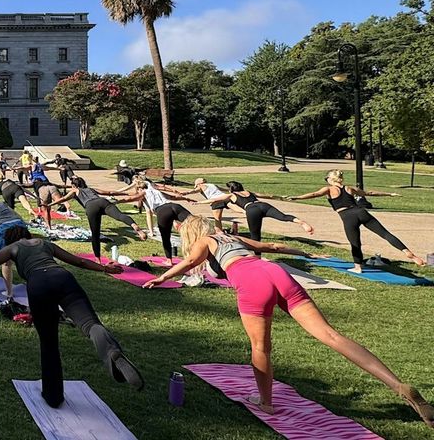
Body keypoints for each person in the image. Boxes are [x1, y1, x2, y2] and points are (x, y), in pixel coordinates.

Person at [145, 216, 433, 426]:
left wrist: (162, 277)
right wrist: (306, 252)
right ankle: (397, 385)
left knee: (261, 347)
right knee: (331, 336)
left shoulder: (204, 241)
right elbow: (273, 246)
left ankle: (265, 402)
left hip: (251, 281)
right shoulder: (235, 238)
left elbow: (190, 263)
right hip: (275, 272)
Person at [0, 226, 144, 409]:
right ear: (28, 234)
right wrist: (105, 268)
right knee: (90, 324)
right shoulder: (46, 244)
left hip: (39, 284)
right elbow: (79, 261)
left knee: (49, 343)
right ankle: (112, 353)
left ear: (12, 239)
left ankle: (53, 396)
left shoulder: (13, 248)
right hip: (63, 277)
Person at [286, 169, 425, 271]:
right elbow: (369, 193)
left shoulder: (329, 189)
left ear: (330, 179)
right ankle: (407, 252)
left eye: (326, 178)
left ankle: (358, 267)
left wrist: (296, 197)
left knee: (355, 243)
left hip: (348, 216)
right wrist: (389, 194)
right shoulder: (349, 188)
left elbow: (314, 194)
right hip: (361, 211)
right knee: (385, 233)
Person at [45, 177, 147, 260]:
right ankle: (135, 227)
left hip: (90, 207)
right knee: (120, 216)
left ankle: (98, 259)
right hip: (102, 201)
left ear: (74, 185)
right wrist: (125, 193)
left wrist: (49, 204)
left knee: (95, 233)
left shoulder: (75, 190)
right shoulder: (91, 189)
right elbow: (109, 193)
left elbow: (63, 199)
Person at [195, 181, 313, 243]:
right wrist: (280, 197)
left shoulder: (231, 195)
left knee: (255, 236)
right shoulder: (249, 192)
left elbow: (215, 199)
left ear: (231, 189)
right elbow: (269, 195)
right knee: (283, 216)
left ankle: (257, 257)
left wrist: (199, 203)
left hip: (251, 210)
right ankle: (301, 222)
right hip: (263, 205)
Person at [116, 175, 195, 258]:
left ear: (140, 188)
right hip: (175, 206)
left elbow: (130, 199)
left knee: (166, 237)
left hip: (163, 211)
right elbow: (173, 197)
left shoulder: (143, 193)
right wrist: (186, 199)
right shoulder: (156, 190)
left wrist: (117, 201)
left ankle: (169, 260)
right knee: (195, 224)